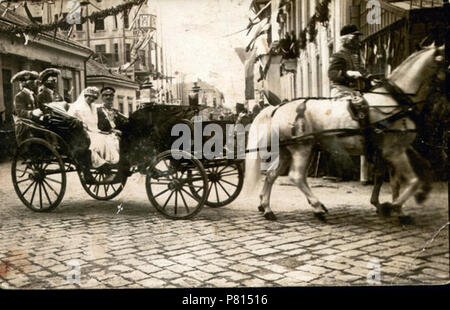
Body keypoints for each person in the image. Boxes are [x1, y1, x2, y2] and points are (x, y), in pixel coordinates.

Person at [328, 24, 372, 184]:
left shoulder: (356, 56)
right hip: (341, 90)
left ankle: (364, 175)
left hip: (357, 93)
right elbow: (332, 74)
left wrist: (370, 77)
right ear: (346, 39)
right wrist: (347, 74)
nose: (357, 41)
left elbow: (363, 71)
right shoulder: (338, 55)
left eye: (357, 38)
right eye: (354, 38)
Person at [68, 87, 120, 171]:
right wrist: (82, 125)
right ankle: (98, 162)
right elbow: (70, 119)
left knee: (106, 139)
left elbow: (95, 120)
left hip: (91, 130)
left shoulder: (92, 107)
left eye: (93, 98)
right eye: (89, 97)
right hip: (78, 131)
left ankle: (107, 161)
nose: (91, 99)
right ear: (85, 96)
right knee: (97, 141)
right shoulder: (76, 106)